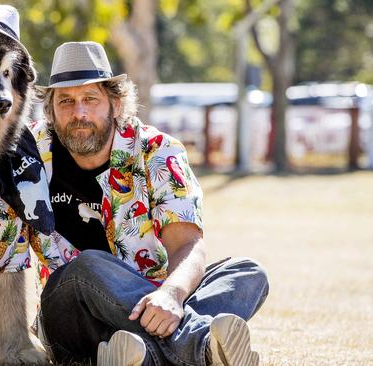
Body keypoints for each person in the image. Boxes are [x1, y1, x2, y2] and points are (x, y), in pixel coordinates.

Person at [28, 41, 269, 366]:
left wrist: (170, 295)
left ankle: (136, 354)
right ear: (50, 110)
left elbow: (187, 244)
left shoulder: (158, 151)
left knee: (246, 273)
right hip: (71, 316)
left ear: (115, 103)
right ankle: (201, 346)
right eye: (66, 101)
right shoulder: (27, 156)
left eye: (90, 99)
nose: (79, 112)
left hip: (156, 302)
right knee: (87, 264)